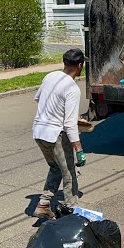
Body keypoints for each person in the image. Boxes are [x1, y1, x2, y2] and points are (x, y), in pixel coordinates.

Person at [31, 48, 87, 219]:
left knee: (55, 167)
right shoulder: (72, 88)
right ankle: (71, 212)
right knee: (69, 172)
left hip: (39, 132)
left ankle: (43, 204)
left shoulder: (50, 76)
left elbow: (39, 98)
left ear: (64, 63)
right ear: (80, 65)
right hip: (55, 134)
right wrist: (79, 150)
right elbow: (70, 125)